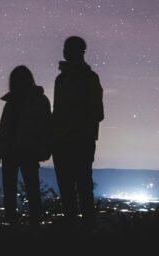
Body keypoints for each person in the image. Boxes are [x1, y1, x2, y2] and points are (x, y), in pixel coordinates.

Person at [0, 65, 52, 227]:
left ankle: (31, 224)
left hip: (26, 151)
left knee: (28, 189)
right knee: (20, 190)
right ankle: (19, 223)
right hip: (15, 151)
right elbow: (3, 128)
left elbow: (45, 127)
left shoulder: (35, 101)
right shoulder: (16, 102)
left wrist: (44, 149)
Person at [52, 35, 103, 230]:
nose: (65, 51)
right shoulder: (62, 79)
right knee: (71, 187)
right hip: (68, 140)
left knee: (81, 185)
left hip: (79, 140)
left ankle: (83, 229)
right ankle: (75, 228)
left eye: (69, 48)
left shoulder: (88, 78)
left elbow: (96, 112)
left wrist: (70, 126)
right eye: (65, 47)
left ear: (80, 52)